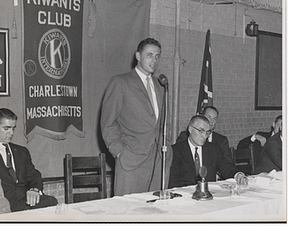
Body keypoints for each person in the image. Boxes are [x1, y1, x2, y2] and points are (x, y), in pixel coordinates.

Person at [101, 37, 172, 196]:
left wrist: (166, 148)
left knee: (155, 212)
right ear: (138, 56)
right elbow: (108, 123)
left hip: (159, 161)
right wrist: (119, 152)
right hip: (131, 160)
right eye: (150, 55)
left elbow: (163, 124)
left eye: (157, 56)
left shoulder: (161, 85)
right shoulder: (120, 82)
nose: (154, 60)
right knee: (127, 212)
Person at [0, 108, 58, 212]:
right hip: (5, 205)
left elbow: (34, 176)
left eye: (13, 128)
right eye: (6, 128)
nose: (11, 133)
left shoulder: (22, 152)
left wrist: (34, 189)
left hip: (26, 202)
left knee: (51, 201)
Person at [169, 115, 247, 188]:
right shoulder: (176, 151)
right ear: (190, 129)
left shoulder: (213, 149)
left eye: (207, 132)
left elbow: (226, 168)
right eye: (201, 131)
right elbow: (172, 181)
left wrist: (238, 174)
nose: (204, 136)